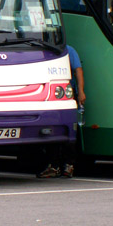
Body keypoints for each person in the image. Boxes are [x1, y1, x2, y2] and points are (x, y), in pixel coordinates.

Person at [37, 45, 85, 178]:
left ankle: (69, 165)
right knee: (52, 131)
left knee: (69, 131)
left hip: (66, 94)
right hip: (50, 95)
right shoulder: (43, 50)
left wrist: (81, 91)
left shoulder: (69, 50)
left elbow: (78, 70)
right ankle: (54, 166)